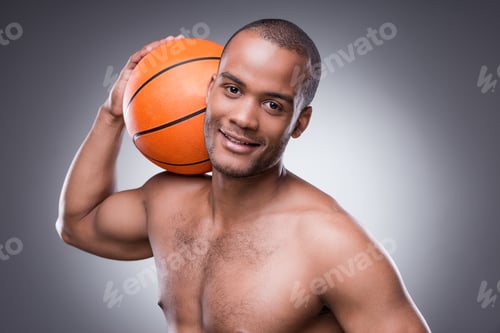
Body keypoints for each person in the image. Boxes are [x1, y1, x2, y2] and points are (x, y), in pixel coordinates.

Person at [56, 18, 430, 332]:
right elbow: (78, 223)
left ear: (299, 123)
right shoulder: (167, 202)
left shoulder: (333, 245)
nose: (243, 119)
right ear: (210, 90)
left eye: (272, 104)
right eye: (233, 89)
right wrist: (112, 114)